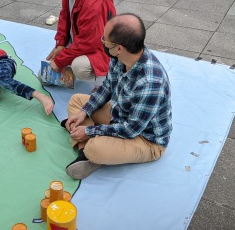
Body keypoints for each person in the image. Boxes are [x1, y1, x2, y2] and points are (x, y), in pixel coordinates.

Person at [63, 13, 172, 180]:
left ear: (119, 47)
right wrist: (85, 112)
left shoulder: (150, 81)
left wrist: (89, 131)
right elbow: (107, 87)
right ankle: (86, 151)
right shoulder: (119, 57)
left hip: (145, 139)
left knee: (96, 148)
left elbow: (131, 129)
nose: (102, 42)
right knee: (77, 101)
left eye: (104, 40)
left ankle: (89, 150)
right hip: (119, 115)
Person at [44, 0, 116, 89]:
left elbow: (89, 42)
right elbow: (65, 15)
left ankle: (106, 82)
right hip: (79, 39)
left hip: (102, 48)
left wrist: (60, 60)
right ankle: (74, 64)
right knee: (45, 76)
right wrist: (60, 43)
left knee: (80, 68)